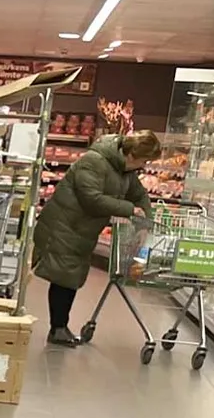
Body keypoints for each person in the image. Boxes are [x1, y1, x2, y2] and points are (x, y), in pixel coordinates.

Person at [31, 129, 160, 346]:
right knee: (65, 277)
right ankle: (58, 329)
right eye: (144, 160)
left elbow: (138, 194)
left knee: (70, 276)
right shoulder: (94, 162)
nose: (144, 166)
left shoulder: (124, 170)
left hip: (81, 229)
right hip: (63, 225)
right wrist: (130, 210)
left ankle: (60, 328)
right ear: (131, 155)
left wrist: (147, 217)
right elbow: (91, 199)